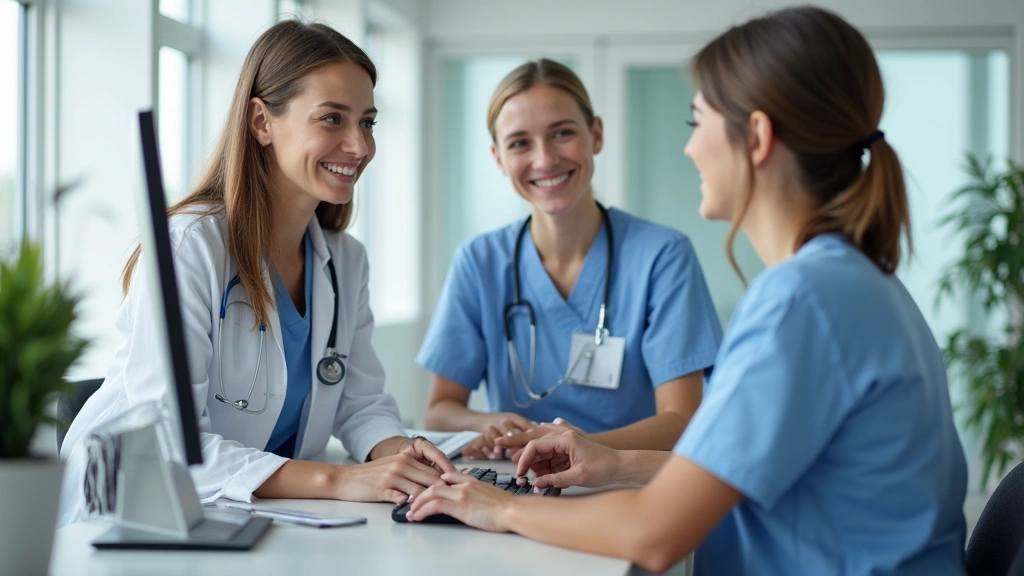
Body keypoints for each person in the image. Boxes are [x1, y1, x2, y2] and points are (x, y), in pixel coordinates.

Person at [405, 7, 968, 575]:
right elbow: (740, 468)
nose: (690, 148)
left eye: (696, 123)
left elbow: (654, 533)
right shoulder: (851, 279)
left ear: (756, 137)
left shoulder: (802, 302)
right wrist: (613, 463)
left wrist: (498, 506)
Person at [58, 20, 455, 527]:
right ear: (261, 122)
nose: (359, 146)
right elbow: (171, 443)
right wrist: (337, 480)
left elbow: (359, 404)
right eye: (333, 119)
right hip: (128, 516)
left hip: (252, 518)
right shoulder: (190, 246)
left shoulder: (344, 260)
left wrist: (401, 452)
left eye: (368, 122)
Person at [418, 59, 722, 459]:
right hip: (518, 481)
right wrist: (485, 423)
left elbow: (683, 418)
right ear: (498, 158)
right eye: (519, 143)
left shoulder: (662, 256)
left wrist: (574, 449)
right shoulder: (479, 261)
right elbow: (439, 410)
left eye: (562, 133)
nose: (544, 160)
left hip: (627, 488)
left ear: (596, 134)